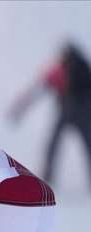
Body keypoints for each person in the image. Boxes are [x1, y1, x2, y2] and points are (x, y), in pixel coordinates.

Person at [9, 41, 91, 189]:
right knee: (87, 145)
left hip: (66, 112)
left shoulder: (61, 69)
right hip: (82, 114)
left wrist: (18, 110)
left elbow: (37, 91)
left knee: (53, 144)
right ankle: (49, 175)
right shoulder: (83, 68)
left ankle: (49, 175)